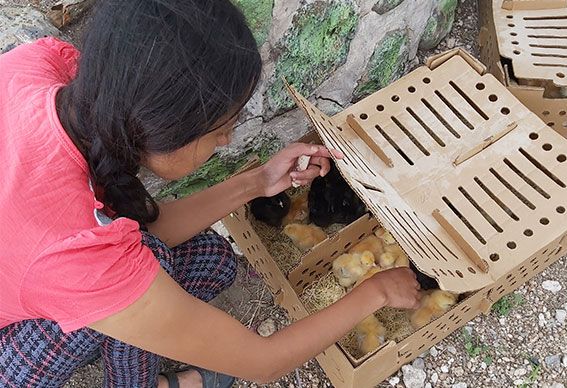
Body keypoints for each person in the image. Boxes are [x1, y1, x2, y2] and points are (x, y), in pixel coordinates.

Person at [0, 0, 421, 387]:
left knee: (212, 262)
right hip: (14, 342)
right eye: (221, 129)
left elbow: (145, 226)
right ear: (165, 130)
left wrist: (259, 181)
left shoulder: (38, 69)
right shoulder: (73, 255)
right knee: (146, 271)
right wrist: (376, 291)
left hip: (39, 268)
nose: (226, 141)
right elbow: (264, 362)